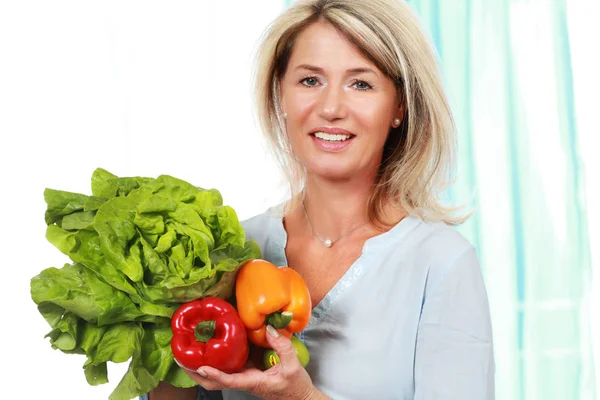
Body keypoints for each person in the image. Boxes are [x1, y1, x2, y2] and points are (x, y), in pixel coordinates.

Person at [146, 0, 495, 398]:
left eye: (360, 83)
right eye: (310, 81)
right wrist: (150, 322)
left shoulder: (441, 264)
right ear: (280, 93)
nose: (331, 108)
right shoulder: (231, 250)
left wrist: (302, 397)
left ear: (399, 105)